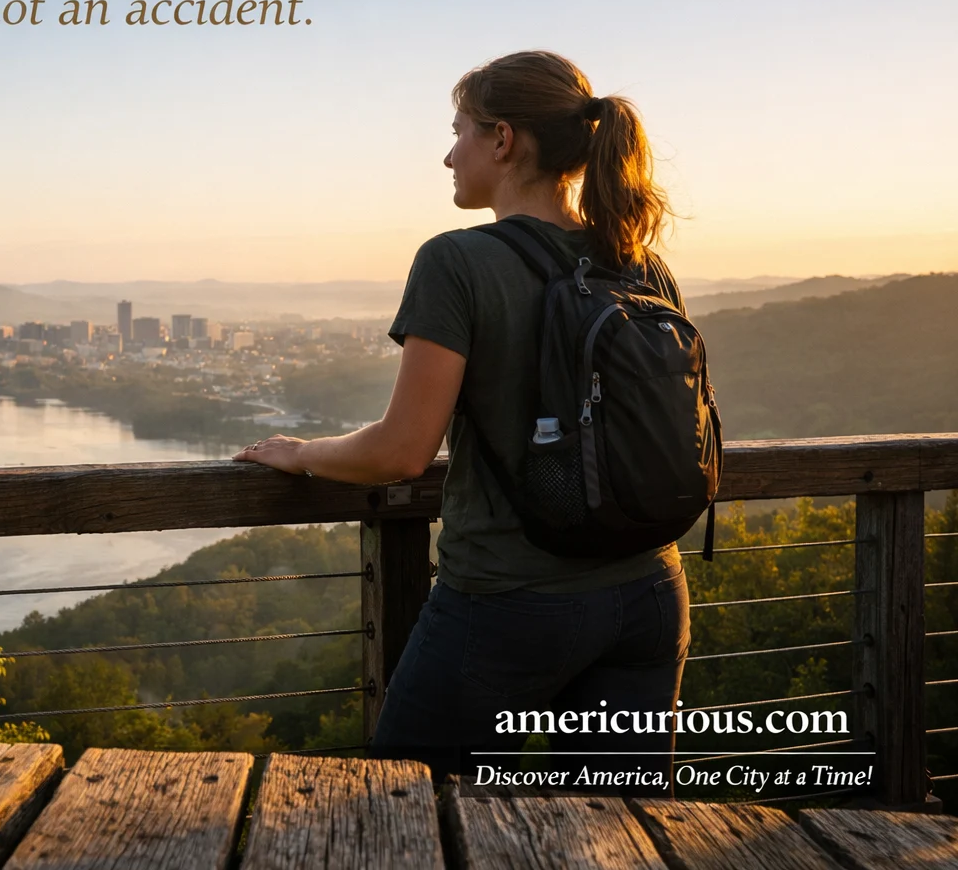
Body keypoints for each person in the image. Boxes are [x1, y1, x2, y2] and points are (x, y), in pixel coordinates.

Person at [234, 50, 689, 790]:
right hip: (648, 594)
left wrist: (301, 452)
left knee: (407, 812)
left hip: (508, 602)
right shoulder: (639, 261)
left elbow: (402, 451)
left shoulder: (458, 261)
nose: (450, 155)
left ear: (503, 140)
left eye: (461, 132)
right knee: (617, 836)